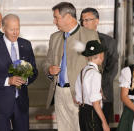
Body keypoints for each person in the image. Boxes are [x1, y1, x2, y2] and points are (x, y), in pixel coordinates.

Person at [43, 2, 100, 131]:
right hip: (59, 92)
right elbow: (46, 62)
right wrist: (49, 69)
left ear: (68, 17)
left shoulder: (89, 35)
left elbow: (97, 66)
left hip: (79, 95)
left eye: (56, 17)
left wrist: (85, 92)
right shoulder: (54, 37)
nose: (54, 21)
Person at [0, 14, 38, 131]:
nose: (15, 32)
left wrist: (26, 79)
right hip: (0, 105)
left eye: (17, 29)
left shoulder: (26, 44)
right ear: (3, 28)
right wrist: (8, 81)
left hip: (21, 104)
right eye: (12, 29)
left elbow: (34, 71)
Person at [80, 7, 118, 123]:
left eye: (87, 20)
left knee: (103, 125)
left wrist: (97, 86)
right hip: (81, 96)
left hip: (103, 95)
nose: (83, 23)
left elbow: (112, 68)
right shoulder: (76, 42)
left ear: (97, 21)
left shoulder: (109, 41)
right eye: (82, 20)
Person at [75, 40, 110, 131]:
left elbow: (77, 99)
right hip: (92, 114)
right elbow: (95, 103)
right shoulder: (95, 74)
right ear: (100, 56)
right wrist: (104, 122)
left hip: (82, 112)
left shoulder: (83, 71)